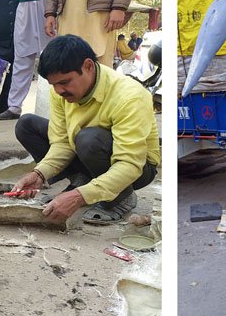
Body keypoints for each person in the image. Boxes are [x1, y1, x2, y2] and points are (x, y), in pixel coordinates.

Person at [10, 34, 159, 224]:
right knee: (26, 125)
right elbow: (62, 142)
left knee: (89, 139)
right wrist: (39, 174)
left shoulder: (130, 97)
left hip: (137, 168)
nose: (58, 91)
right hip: (86, 149)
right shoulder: (60, 92)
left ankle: (121, 197)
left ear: (88, 66)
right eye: (53, 84)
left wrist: (78, 197)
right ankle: (83, 181)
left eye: (64, 82)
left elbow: (130, 164)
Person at [12, 0, 56, 116]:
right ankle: (14, 107)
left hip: (48, 6)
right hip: (24, 5)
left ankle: (53, 107)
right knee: (22, 55)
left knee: (52, 55)